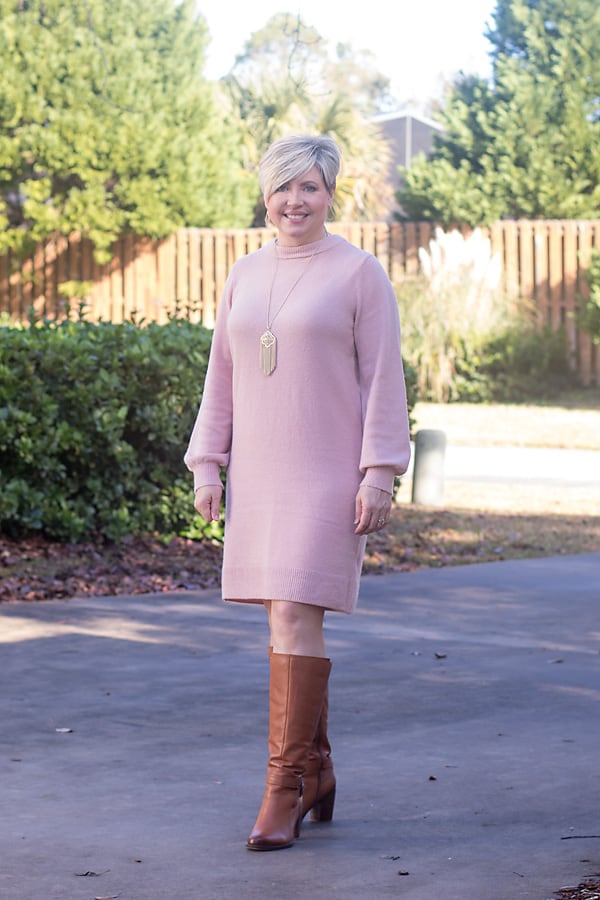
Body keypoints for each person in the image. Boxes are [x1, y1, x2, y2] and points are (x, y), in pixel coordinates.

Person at [184, 133, 411, 851]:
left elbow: (383, 380)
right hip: (261, 472)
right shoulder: (243, 274)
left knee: (291, 612)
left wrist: (380, 472)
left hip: (326, 474)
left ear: (330, 192)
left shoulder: (360, 274)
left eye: (308, 187)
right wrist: (207, 462)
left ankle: (283, 787)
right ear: (265, 193)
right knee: (282, 622)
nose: (293, 201)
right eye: (282, 187)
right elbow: (221, 373)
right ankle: (317, 769)